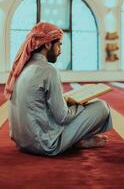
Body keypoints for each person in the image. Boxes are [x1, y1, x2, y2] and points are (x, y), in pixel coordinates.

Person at [5, 22, 112, 156]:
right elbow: (63, 117)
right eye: (59, 45)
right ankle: (76, 140)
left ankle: (76, 140)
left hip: (22, 142)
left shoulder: (23, 68)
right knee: (101, 106)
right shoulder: (48, 70)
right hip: (45, 144)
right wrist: (79, 104)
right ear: (48, 44)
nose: (60, 51)